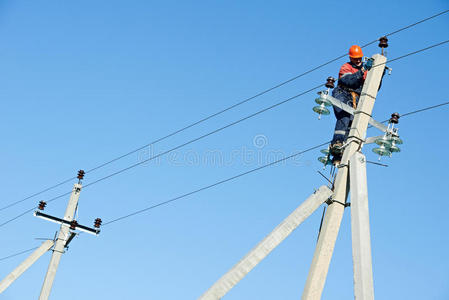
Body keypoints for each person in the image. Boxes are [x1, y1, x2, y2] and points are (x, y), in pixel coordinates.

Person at [330, 45, 373, 163]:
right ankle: (337, 144)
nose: (358, 60)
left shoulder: (365, 72)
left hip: (356, 98)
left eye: (360, 58)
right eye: (355, 58)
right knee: (344, 115)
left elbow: (373, 87)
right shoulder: (346, 67)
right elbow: (349, 81)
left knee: (354, 124)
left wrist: (379, 73)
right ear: (350, 58)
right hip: (342, 93)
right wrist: (362, 71)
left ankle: (345, 150)